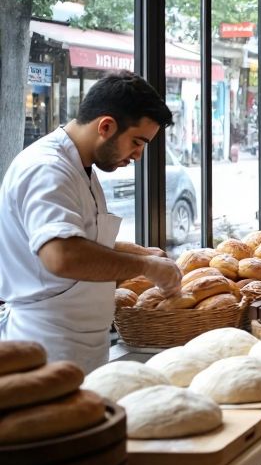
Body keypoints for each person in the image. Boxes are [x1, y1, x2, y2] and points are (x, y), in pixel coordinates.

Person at [0, 71, 181, 372]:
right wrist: (146, 267)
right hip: (46, 349)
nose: (138, 155)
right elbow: (62, 256)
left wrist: (141, 253)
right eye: (137, 142)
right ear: (106, 126)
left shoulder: (82, 167)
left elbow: (85, 243)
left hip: (81, 345)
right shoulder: (47, 168)